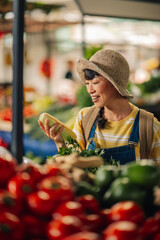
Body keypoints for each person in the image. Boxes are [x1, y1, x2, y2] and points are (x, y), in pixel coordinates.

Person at [38, 49, 160, 165]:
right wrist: (60, 143)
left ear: (115, 83)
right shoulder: (85, 118)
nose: (90, 90)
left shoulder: (148, 126)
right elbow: (74, 166)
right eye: (87, 84)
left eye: (95, 83)